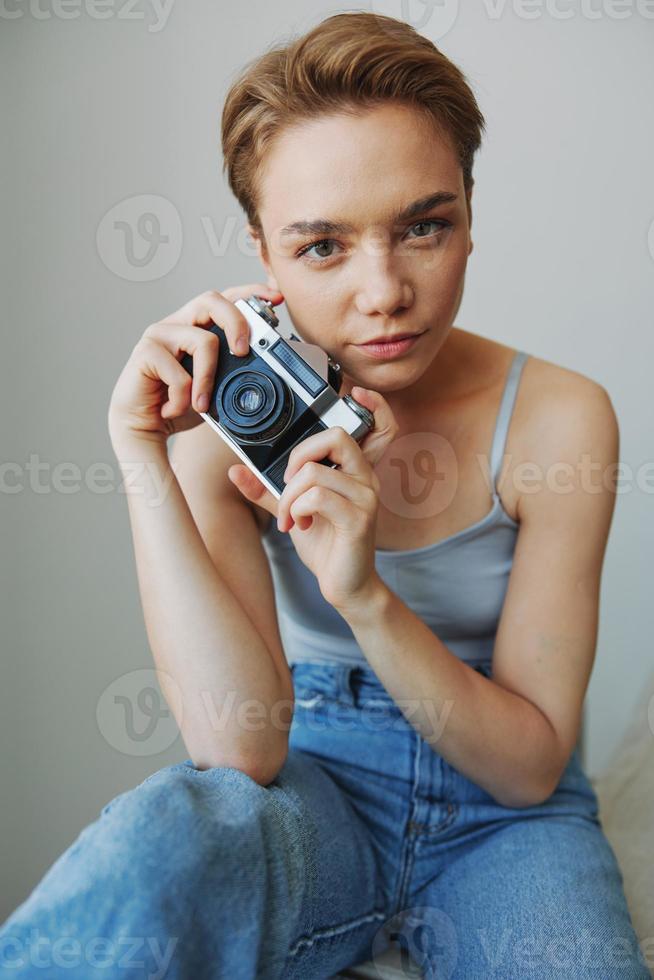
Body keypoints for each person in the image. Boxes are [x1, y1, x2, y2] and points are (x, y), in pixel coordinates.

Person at [0, 11, 648, 980]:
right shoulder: (226, 422)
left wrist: (361, 593)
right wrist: (139, 450)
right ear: (261, 251)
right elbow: (242, 751)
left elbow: (528, 763)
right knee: (154, 850)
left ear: (471, 215)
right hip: (321, 776)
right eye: (322, 247)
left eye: (423, 225)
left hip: (506, 818)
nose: (385, 291)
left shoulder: (561, 418)